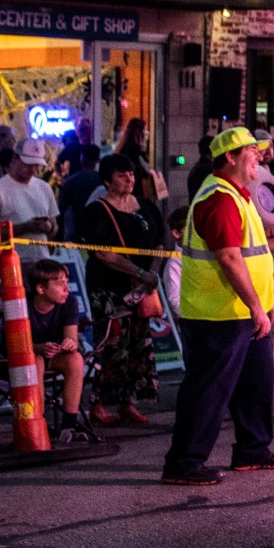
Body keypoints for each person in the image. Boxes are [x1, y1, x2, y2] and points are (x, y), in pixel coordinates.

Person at [163, 126, 274, 486]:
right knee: (208, 389)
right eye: (252, 153)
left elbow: (252, 255)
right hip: (218, 313)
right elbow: (228, 257)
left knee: (256, 383)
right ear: (230, 157)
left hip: (239, 311)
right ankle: (184, 462)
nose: (260, 158)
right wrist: (257, 305)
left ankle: (253, 449)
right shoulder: (220, 198)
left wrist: (263, 305)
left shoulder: (237, 195)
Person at [81, 153, 164, 427]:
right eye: (121, 175)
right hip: (109, 288)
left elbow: (162, 243)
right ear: (107, 180)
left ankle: (129, 401)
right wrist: (140, 273)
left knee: (140, 343)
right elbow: (105, 254)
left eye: (131, 174)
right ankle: (99, 402)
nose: (129, 180)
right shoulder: (97, 211)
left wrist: (151, 273)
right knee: (113, 343)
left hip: (142, 288)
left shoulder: (147, 207)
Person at [25, 259, 94, 446]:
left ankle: (69, 425)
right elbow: (15, 344)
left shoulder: (69, 303)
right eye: (59, 283)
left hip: (52, 355)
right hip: (21, 358)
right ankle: (37, 423)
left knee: (75, 359)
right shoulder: (22, 304)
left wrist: (69, 343)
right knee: (36, 359)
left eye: (67, 282)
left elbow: (71, 336)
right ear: (41, 289)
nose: (67, 288)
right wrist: (38, 348)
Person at [0, 139, 59, 264]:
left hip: (39, 264)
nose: (33, 169)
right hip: (6, 266)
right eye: (28, 164)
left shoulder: (45, 188)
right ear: (14, 159)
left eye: (36, 165)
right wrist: (24, 227)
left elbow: (54, 226)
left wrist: (48, 228)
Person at [58, 143, 104, 239]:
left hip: (76, 234)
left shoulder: (71, 181)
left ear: (81, 158)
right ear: (98, 160)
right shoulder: (104, 182)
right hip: (99, 233)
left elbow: (61, 208)